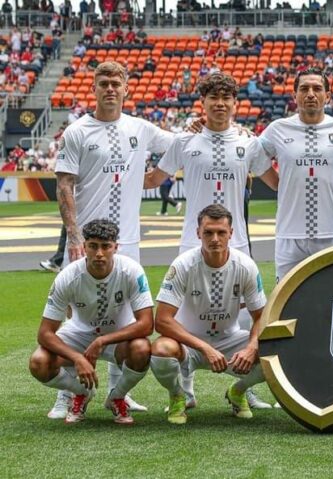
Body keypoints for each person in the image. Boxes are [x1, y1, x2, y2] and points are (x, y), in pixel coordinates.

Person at [143, 72, 274, 410]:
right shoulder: (184, 142)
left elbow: (276, 180)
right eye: (213, 97)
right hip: (192, 242)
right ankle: (185, 387)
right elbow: (153, 179)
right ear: (202, 102)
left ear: (235, 103)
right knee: (186, 316)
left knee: (246, 319)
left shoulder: (249, 142)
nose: (220, 103)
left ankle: (245, 388)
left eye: (226, 97)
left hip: (239, 244)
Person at [52, 61, 174, 418]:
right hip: (86, 242)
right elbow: (64, 185)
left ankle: (119, 390)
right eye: (103, 83)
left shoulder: (141, 128)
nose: (109, 89)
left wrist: (154, 177)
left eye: (115, 83)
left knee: (123, 316)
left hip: (128, 241)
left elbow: (179, 145)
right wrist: (74, 235)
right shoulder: (77, 132)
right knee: (74, 316)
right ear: (93, 87)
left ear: (126, 88)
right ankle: (68, 392)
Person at [149, 204, 268, 425]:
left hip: (229, 341)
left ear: (231, 233)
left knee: (273, 350)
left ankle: (238, 391)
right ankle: (177, 395)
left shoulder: (246, 266)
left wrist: (251, 348)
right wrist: (205, 348)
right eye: (208, 232)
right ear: (198, 233)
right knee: (160, 350)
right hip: (189, 344)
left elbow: (261, 316)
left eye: (221, 232)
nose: (215, 238)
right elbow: (162, 320)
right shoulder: (184, 265)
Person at [28, 219, 154, 425]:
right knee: (38, 362)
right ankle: (81, 392)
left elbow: (147, 324)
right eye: (93, 246)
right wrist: (77, 358)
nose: (99, 253)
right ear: (84, 246)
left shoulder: (131, 270)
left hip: (117, 337)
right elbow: (45, 333)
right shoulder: (67, 276)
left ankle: (117, 396)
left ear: (116, 247)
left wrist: (102, 341)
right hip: (78, 335)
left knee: (141, 348)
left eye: (106, 247)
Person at [253, 67, 333, 281]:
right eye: (304, 89)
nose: (311, 93)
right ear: (295, 95)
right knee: (285, 303)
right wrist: (274, 183)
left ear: (327, 96)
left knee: (331, 302)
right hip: (289, 234)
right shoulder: (277, 129)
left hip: (330, 234)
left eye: (317, 88)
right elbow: (252, 153)